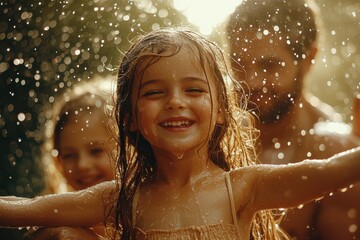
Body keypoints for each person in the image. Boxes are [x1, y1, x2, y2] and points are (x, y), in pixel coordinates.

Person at [0, 27, 360, 240]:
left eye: (193, 90)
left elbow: (331, 172)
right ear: (128, 117)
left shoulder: (244, 188)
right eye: (154, 92)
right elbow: (26, 208)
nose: (175, 103)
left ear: (221, 111)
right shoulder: (122, 200)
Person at [224, 0, 360, 239]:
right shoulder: (216, 138)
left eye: (269, 65)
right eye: (238, 64)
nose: (252, 81)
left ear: (309, 59)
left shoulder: (334, 149)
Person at [26, 76, 116, 240]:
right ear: (57, 161)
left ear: (128, 149)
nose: (82, 164)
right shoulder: (55, 224)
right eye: (69, 155)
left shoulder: (148, 216)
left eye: (96, 151)